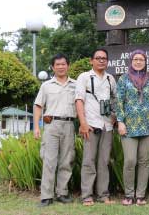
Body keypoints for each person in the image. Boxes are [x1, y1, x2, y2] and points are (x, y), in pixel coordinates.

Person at [75, 48, 117, 206]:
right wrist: (83, 123)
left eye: (104, 58)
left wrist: (114, 116)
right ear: (91, 60)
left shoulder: (110, 79)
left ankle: (103, 195)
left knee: (104, 161)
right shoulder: (84, 77)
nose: (101, 61)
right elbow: (79, 100)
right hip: (90, 125)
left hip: (107, 126)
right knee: (88, 161)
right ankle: (86, 195)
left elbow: (115, 99)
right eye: (98, 58)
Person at [33, 54, 76, 207]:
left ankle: (62, 193)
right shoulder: (46, 86)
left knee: (66, 160)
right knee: (49, 161)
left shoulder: (75, 85)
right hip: (51, 126)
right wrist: (37, 127)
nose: (60, 67)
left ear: (68, 66)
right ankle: (46, 196)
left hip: (69, 125)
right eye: (57, 64)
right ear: (52, 67)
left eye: (63, 64)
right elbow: (38, 106)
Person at [116, 50, 149, 206]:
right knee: (130, 161)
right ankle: (129, 194)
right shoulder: (123, 79)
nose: (138, 62)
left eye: (141, 59)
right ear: (131, 61)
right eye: (136, 59)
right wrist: (120, 121)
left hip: (148, 125)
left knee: (144, 161)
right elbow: (119, 101)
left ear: (145, 62)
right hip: (129, 126)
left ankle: (140, 195)